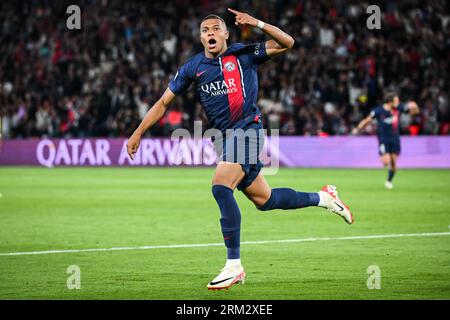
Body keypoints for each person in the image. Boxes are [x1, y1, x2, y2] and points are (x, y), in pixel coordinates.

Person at [126, 9, 353, 290]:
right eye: (205, 30)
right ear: (200, 37)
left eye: (215, 28)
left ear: (226, 34)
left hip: (247, 130)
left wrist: (257, 23)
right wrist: (138, 132)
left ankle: (234, 265)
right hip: (223, 138)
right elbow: (163, 103)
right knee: (265, 200)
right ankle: (324, 198)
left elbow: (288, 43)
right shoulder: (192, 68)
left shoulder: (243, 55)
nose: (210, 33)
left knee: (221, 186)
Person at [352, 92, 420, 189]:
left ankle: (389, 180)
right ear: (390, 102)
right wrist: (357, 129)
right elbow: (367, 120)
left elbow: (415, 112)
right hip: (383, 139)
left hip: (395, 139)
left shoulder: (398, 108)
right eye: (396, 101)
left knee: (393, 164)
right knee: (385, 161)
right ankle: (388, 169)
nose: (398, 102)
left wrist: (415, 107)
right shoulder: (378, 111)